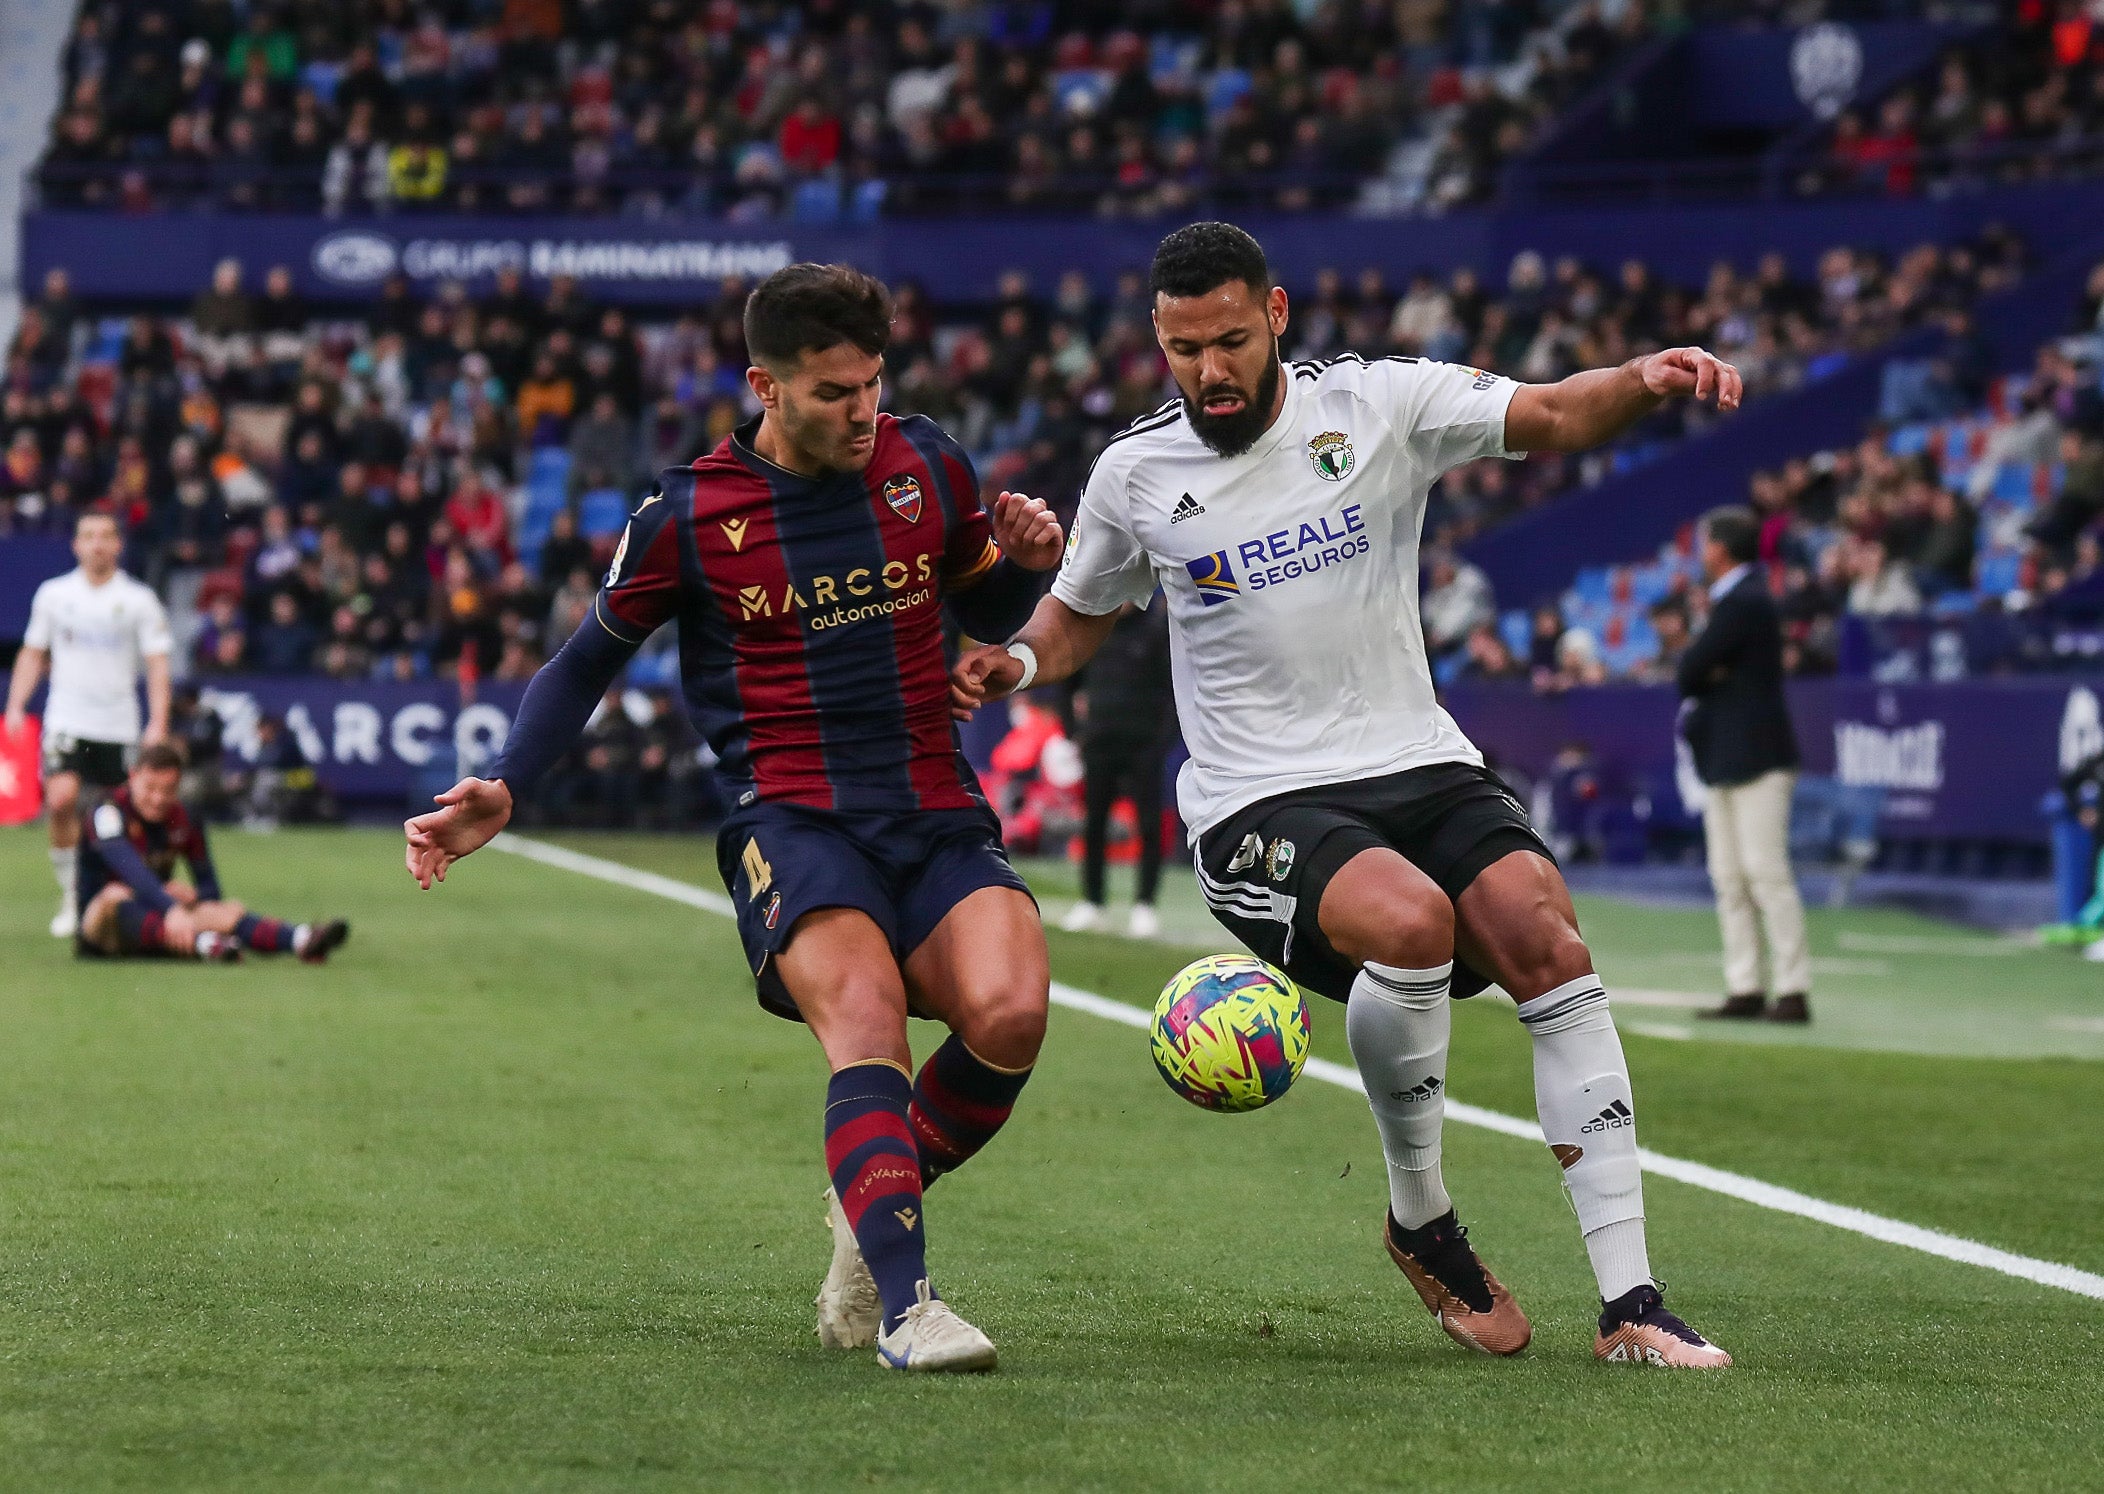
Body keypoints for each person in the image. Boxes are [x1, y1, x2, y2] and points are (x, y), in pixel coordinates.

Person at [954, 222, 1741, 1368]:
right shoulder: (1135, 474)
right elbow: (1077, 612)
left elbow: (1559, 413)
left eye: (1228, 341)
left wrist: (1642, 377)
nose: (1209, 371)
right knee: (1412, 921)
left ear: (1275, 316)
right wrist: (1015, 664)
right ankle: (1421, 1215)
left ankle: (1631, 1305)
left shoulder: (1380, 405)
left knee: (1545, 938)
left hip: (1417, 757)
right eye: (1183, 350)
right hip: (1255, 801)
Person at [403, 263, 1065, 1373]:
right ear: (765, 383)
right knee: (868, 1025)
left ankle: (869, 1208)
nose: (859, 412)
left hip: (934, 804)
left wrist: (1025, 567)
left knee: (1011, 1016)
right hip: (793, 817)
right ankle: (908, 1310)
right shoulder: (690, 513)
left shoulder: (927, 460)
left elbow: (979, 599)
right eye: (829, 392)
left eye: (871, 384)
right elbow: (581, 665)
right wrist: (508, 782)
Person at [5, 510, 173, 938]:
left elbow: (157, 664)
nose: (96, 544)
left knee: (122, 817)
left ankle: (126, 894)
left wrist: (158, 720)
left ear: (118, 545)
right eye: (88, 536)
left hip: (119, 724)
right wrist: (16, 706)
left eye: (105, 536)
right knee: (61, 801)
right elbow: (32, 653)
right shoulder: (54, 595)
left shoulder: (138, 599)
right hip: (68, 717)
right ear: (76, 544)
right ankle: (71, 896)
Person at [1679, 507, 1810, 1024]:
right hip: (1731, 755)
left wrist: (1708, 671)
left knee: (1764, 873)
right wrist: (1711, 671)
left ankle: (1793, 988)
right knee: (1731, 876)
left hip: (1755, 756)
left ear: (1722, 547)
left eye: (1705, 542)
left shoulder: (1744, 601)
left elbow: (1690, 669)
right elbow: (1697, 672)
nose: (1699, 552)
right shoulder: (1740, 600)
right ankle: (1747, 985)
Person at [75, 742, 351, 963]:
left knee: (220, 910)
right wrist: (169, 903)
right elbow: (126, 865)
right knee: (114, 896)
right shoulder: (107, 810)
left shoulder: (185, 818)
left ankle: (300, 939)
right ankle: (205, 944)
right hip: (102, 932)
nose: (158, 799)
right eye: (150, 788)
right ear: (133, 776)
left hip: (161, 921)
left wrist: (193, 897)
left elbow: (210, 889)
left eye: (168, 790)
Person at [1060, 598, 1175, 938]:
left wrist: (1161, 742)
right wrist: (1073, 734)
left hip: (1144, 746)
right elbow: (1068, 684)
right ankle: (1093, 902)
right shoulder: (1093, 631)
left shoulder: (1155, 631)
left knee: (1149, 825)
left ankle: (1145, 905)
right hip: (1099, 743)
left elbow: (1173, 690)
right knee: (1094, 824)